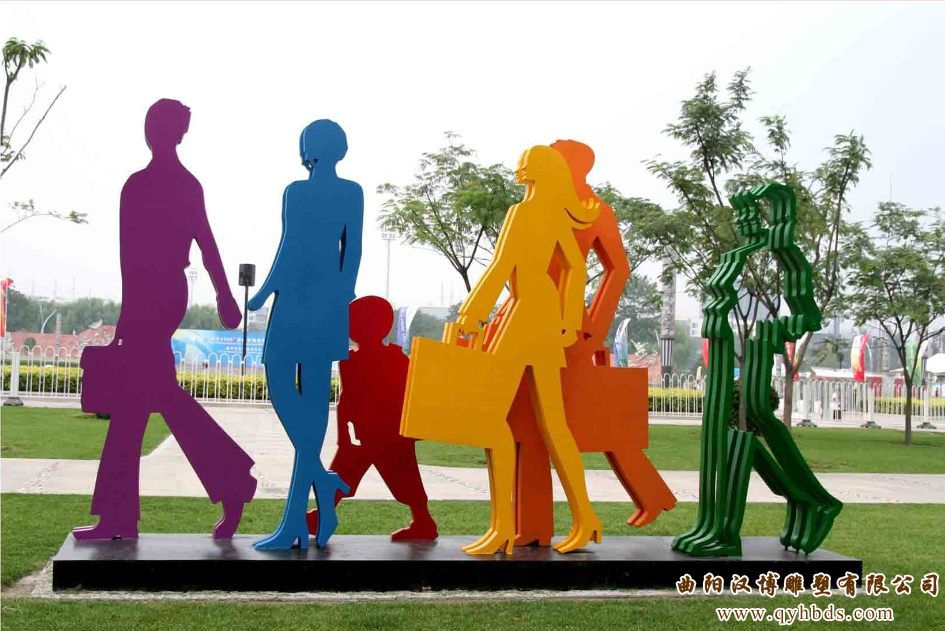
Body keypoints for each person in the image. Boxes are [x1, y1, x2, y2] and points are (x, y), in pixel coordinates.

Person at [73, 99, 256, 541]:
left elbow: (147, 256)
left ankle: (124, 516)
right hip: (166, 294)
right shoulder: (179, 184)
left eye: (153, 123)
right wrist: (222, 295)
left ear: (166, 132)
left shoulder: (143, 185)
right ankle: (229, 483)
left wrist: (224, 294)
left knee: (139, 406)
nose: (149, 129)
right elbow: (201, 246)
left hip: (152, 298)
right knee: (146, 404)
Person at [453, 145, 603, 554]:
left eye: (525, 165)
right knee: (554, 424)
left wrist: (472, 313)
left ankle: (503, 526)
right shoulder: (552, 214)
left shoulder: (523, 213)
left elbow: (501, 265)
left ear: (535, 172)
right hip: (543, 316)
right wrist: (568, 319)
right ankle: (585, 518)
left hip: (524, 317)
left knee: (491, 419)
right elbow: (576, 267)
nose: (519, 170)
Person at [248, 119, 363, 549]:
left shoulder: (334, 192)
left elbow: (346, 248)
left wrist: (267, 292)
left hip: (313, 300)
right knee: (285, 384)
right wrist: (266, 293)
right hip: (306, 299)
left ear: (308, 149)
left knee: (310, 406)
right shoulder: (300, 192)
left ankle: (295, 522)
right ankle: (321, 484)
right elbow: (295, 244)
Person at [305, 296, 437, 540]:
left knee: (401, 480)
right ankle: (422, 521)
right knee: (348, 475)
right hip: (380, 436)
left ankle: (423, 521)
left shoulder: (354, 361)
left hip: (378, 437)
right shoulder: (393, 357)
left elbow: (347, 400)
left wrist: (344, 436)